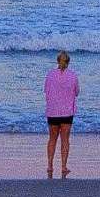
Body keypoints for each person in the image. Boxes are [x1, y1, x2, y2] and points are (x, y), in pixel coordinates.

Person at [43, 50, 79, 178]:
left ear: (58, 61)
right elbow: (77, 92)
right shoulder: (73, 75)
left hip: (52, 111)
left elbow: (45, 90)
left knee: (52, 139)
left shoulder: (50, 74)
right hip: (67, 112)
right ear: (68, 62)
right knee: (65, 140)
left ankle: (50, 165)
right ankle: (63, 166)